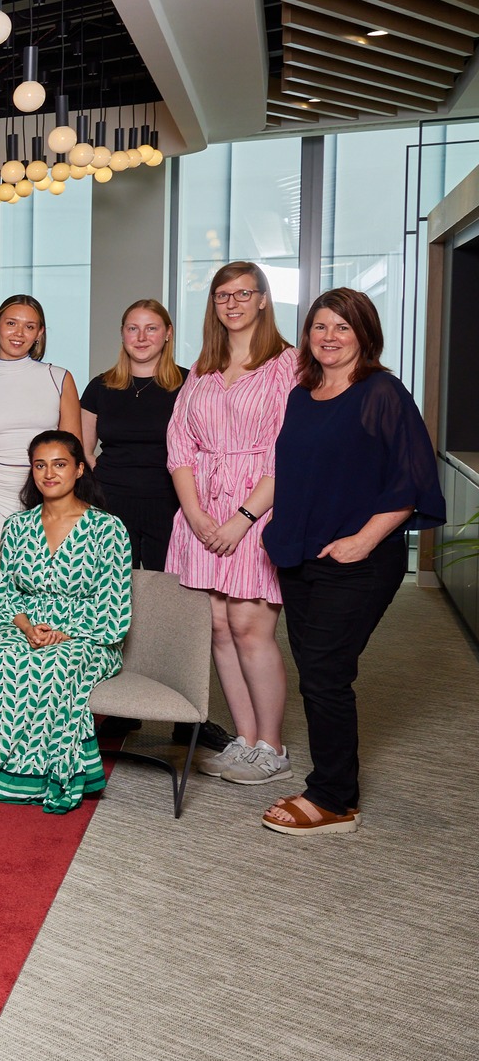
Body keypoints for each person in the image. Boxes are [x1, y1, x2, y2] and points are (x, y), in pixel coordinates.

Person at [262, 288, 444, 836]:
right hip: (300, 556)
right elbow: (298, 473)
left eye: (343, 327)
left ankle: (334, 799)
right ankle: (331, 787)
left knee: (325, 673)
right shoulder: (302, 395)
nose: (330, 337)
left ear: (365, 334)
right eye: (320, 327)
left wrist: (364, 540)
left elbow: (412, 479)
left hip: (357, 560)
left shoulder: (382, 392)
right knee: (317, 673)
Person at [0, 431, 131, 814]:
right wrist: (28, 628)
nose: (49, 474)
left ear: (79, 469)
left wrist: (66, 632)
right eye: (40, 465)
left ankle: (47, 775)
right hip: (24, 627)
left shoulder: (108, 529)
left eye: (60, 464)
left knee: (55, 664)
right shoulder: (17, 526)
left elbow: (113, 605)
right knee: (0, 660)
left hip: (88, 636)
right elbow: (6, 595)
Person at [168, 261, 297, 787]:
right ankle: (245, 740)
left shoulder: (287, 363)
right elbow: (179, 443)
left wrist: (243, 518)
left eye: (244, 293)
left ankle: (273, 747)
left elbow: (289, 451)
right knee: (219, 627)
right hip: (201, 512)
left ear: (263, 299)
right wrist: (195, 513)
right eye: (223, 295)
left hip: (256, 510)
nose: (233, 303)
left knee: (249, 627)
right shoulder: (203, 367)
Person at [0, 294, 81, 644]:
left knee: (41, 581)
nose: (19, 333)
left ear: (40, 333)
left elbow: (71, 448)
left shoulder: (58, 378)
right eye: (11, 323)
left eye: (29, 326)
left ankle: (33, 658)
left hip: (45, 491)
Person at [80, 301, 183, 571]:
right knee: (110, 587)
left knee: (167, 589)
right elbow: (83, 450)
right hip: (110, 504)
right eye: (133, 328)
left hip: (170, 504)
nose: (141, 337)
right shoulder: (99, 386)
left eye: (151, 328)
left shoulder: (189, 385)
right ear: (123, 333)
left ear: (168, 333)